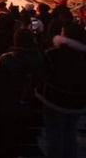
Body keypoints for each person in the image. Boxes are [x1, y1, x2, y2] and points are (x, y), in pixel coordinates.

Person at [0, 28, 45, 158]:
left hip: (5, 110)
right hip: (30, 109)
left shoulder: (6, 59)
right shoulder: (40, 59)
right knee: (27, 143)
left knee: (2, 146)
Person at [36, 21, 86, 157]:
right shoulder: (82, 56)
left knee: (54, 135)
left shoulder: (53, 54)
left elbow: (42, 73)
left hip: (54, 100)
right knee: (70, 134)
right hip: (78, 102)